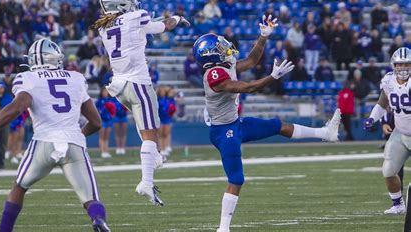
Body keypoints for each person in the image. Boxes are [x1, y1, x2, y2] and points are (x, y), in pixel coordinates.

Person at [193, 20, 341, 231]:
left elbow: (252, 61)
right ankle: (223, 228)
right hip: (223, 131)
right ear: (210, 55)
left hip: (236, 124)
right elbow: (248, 88)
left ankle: (326, 133)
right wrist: (273, 77)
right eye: (219, 47)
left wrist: (263, 36)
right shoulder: (214, 75)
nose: (225, 47)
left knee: (277, 125)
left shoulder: (225, 65)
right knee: (237, 179)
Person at [0, 38, 110, 231]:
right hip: (74, 142)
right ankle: (98, 219)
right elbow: (96, 122)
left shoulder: (28, 77)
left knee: (19, 188)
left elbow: (18, 107)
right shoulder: (76, 78)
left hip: (43, 142)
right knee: (91, 199)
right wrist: (76, 136)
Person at [93, 0, 190, 206]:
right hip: (138, 82)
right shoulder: (135, 16)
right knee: (149, 133)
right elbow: (163, 27)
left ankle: (154, 157)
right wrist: (176, 18)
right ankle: (146, 181)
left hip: (119, 86)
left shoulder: (104, 26)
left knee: (145, 125)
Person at [363, 47, 411, 215]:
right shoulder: (389, 81)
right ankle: (398, 205)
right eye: (400, 64)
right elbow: (383, 103)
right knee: (388, 170)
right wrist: (372, 118)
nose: (403, 67)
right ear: (393, 65)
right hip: (401, 133)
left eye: (407, 64)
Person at [96, 88, 116, 159]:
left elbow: (113, 110)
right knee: (102, 137)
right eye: (104, 91)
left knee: (106, 137)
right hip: (102, 121)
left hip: (108, 121)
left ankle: (106, 151)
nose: (105, 93)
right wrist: (104, 108)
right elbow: (97, 111)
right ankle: (103, 151)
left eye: (106, 91)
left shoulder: (110, 100)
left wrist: (112, 114)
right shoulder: (99, 101)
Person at [157, 86, 176, 156]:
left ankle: (165, 148)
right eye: (161, 91)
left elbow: (172, 107)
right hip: (160, 118)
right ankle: (161, 148)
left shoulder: (167, 99)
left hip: (167, 118)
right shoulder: (157, 99)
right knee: (160, 135)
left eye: (163, 91)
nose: (162, 92)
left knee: (166, 134)